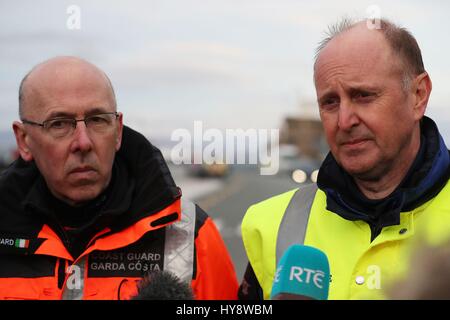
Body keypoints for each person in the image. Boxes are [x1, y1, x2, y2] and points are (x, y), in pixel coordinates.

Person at [238, 18, 450, 300]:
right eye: (330, 102)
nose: (344, 120)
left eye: (363, 95)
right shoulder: (268, 224)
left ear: (418, 95)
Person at [0, 56, 238, 300]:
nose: (83, 142)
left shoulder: (189, 232)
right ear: (24, 140)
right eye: (59, 123)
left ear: (118, 131)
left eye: (97, 120)